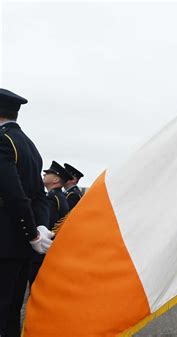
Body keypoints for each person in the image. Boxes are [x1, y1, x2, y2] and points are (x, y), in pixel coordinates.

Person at [0, 88, 53, 337]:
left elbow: (14, 194)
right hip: (21, 246)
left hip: (6, 241)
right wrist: (40, 228)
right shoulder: (29, 144)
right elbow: (38, 195)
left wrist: (32, 233)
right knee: (10, 313)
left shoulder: (3, 140)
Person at [29, 161, 71, 285]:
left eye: (48, 173)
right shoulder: (60, 196)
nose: (44, 175)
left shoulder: (52, 198)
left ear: (56, 179)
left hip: (42, 250)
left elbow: (45, 224)